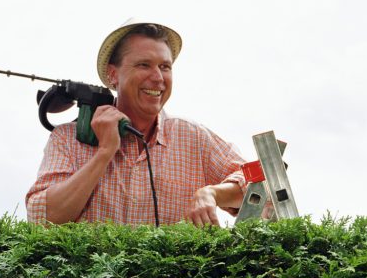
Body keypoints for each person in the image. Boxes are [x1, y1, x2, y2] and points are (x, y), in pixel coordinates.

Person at [26, 19, 245, 226]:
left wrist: (212, 193)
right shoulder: (67, 138)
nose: (158, 77)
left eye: (165, 67)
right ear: (113, 75)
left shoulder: (193, 137)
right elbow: (40, 219)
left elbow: (262, 180)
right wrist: (104, 153)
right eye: (144, 65)